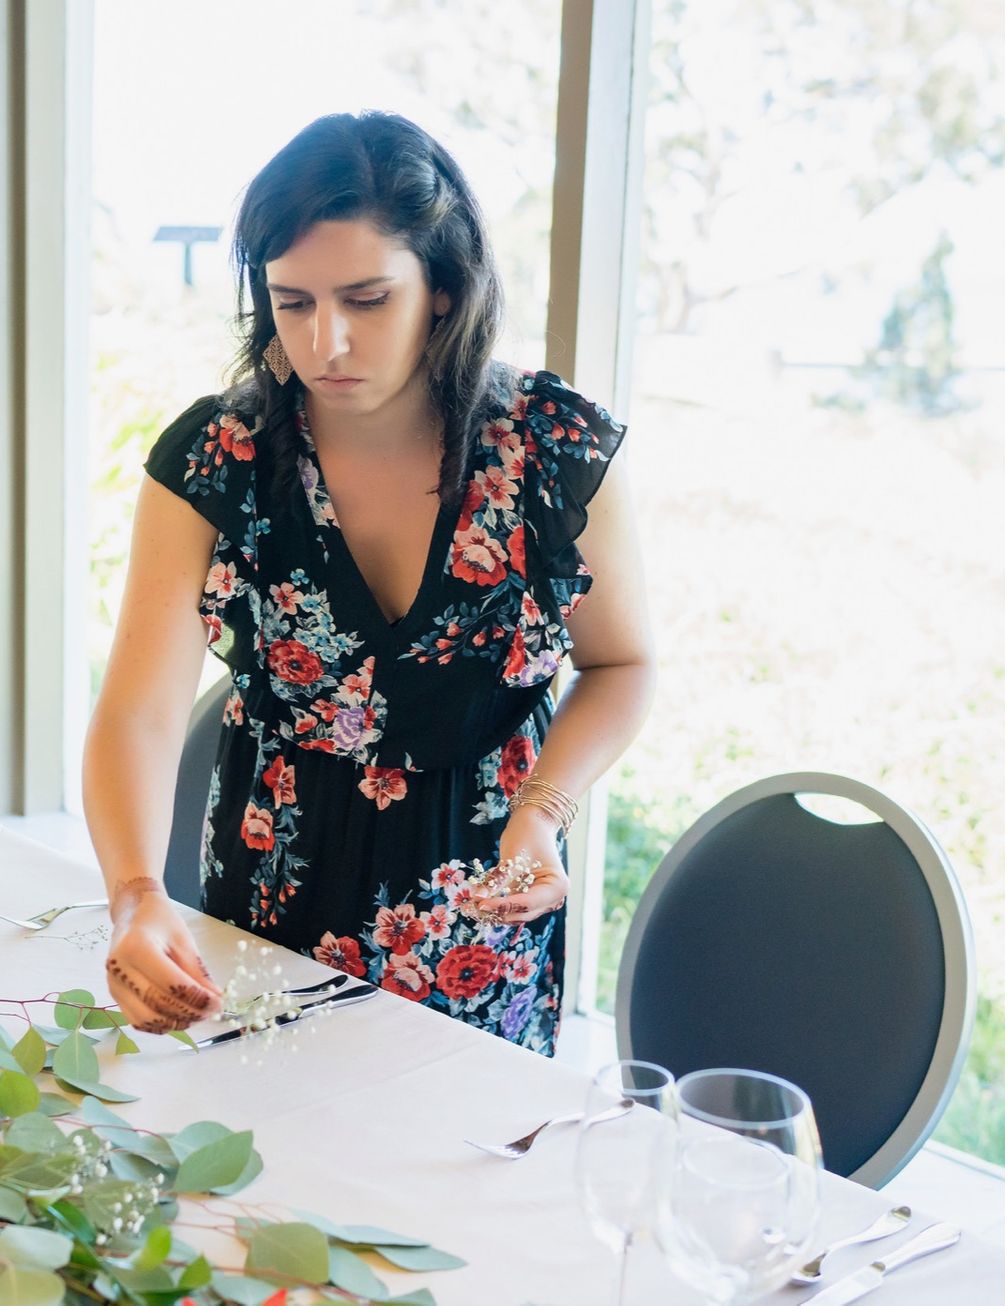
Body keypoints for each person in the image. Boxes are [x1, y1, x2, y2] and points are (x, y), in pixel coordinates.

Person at [84, 111, 654, 1057]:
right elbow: (137, 711)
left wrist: (545, 813)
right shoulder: (217, 457)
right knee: (257, 1173)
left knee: (454, 1180)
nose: (328, 343)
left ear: (442, 288)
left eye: (367, 298)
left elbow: (624, 664)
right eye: (292, 302)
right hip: (268, 893)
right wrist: (136, 894)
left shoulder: (552, 448)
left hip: (483, 898)